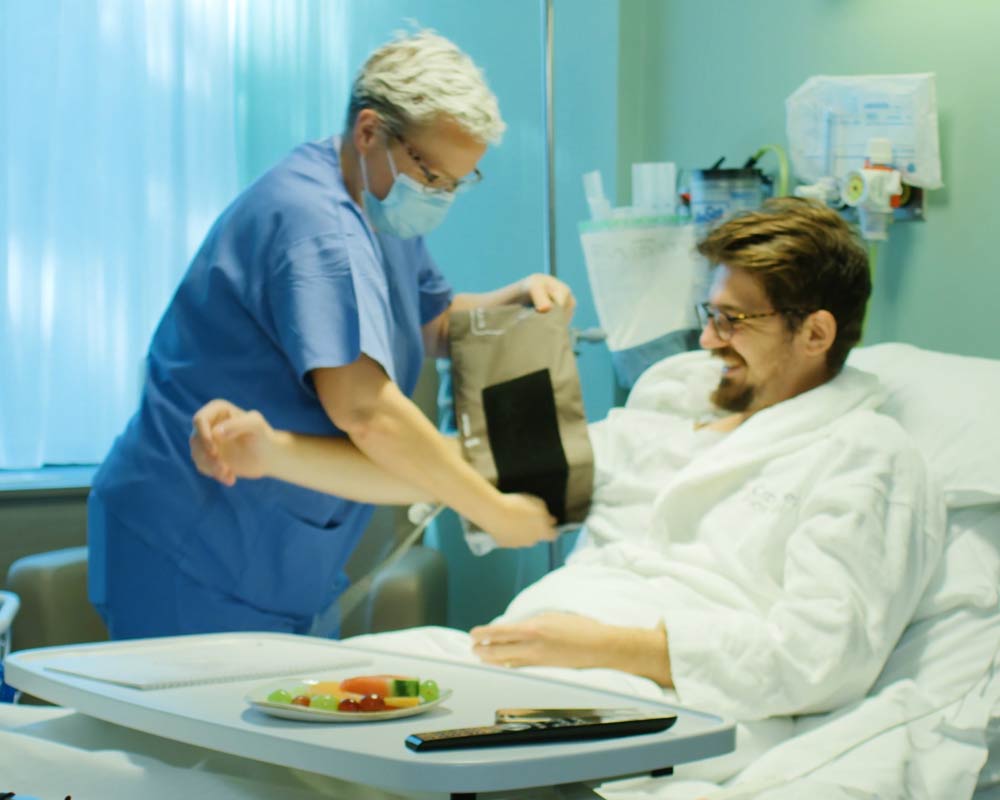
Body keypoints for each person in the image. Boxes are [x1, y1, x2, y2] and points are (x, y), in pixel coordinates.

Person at [193, 198, 945, 730]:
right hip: (528, 660)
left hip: (665, 699)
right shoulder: (671, 416)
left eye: (733, 320)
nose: (709, 340)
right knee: (277, 696)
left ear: (815, 333)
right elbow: (459, 473)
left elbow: (819, 660)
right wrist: (271, 453)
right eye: (710, 315)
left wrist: (598, 645)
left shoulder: (864, 457)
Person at [88, 29, 575, 640]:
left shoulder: (379, 204)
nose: (441, 195)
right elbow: (366, 410)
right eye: (433, 175)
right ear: (370, 131)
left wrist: (510, 301)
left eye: (458, 182)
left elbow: (424, 321)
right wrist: (492, 510)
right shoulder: (315, 227)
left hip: (278, 546)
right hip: (198, 537)